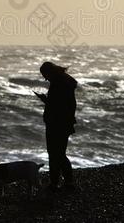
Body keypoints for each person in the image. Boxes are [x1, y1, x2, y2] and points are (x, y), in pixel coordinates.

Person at [36, 61, 78, 191]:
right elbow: (64, 104)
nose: (45, 78)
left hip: (57, 123)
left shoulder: (59, 84)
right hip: (63, 123)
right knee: (59, 153)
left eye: (45, 75)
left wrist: (46, 101)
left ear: (50, 72)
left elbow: (58, 106)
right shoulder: (65, 82)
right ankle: (65, 182)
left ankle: (58, 183)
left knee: (55, 154)